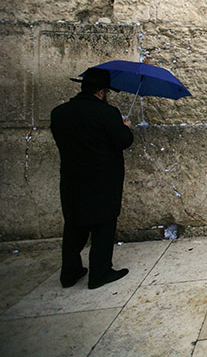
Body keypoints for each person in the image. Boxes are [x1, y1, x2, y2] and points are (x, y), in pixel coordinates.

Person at [50, 67, 134, 289]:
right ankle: (100, 273)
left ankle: (70, 273)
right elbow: (124, 141)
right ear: (100, 92)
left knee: (74, 226)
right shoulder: (107, 113)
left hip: (72, 179)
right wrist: (125, 127)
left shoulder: (59, 113)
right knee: (103, 225)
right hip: (102, 180)